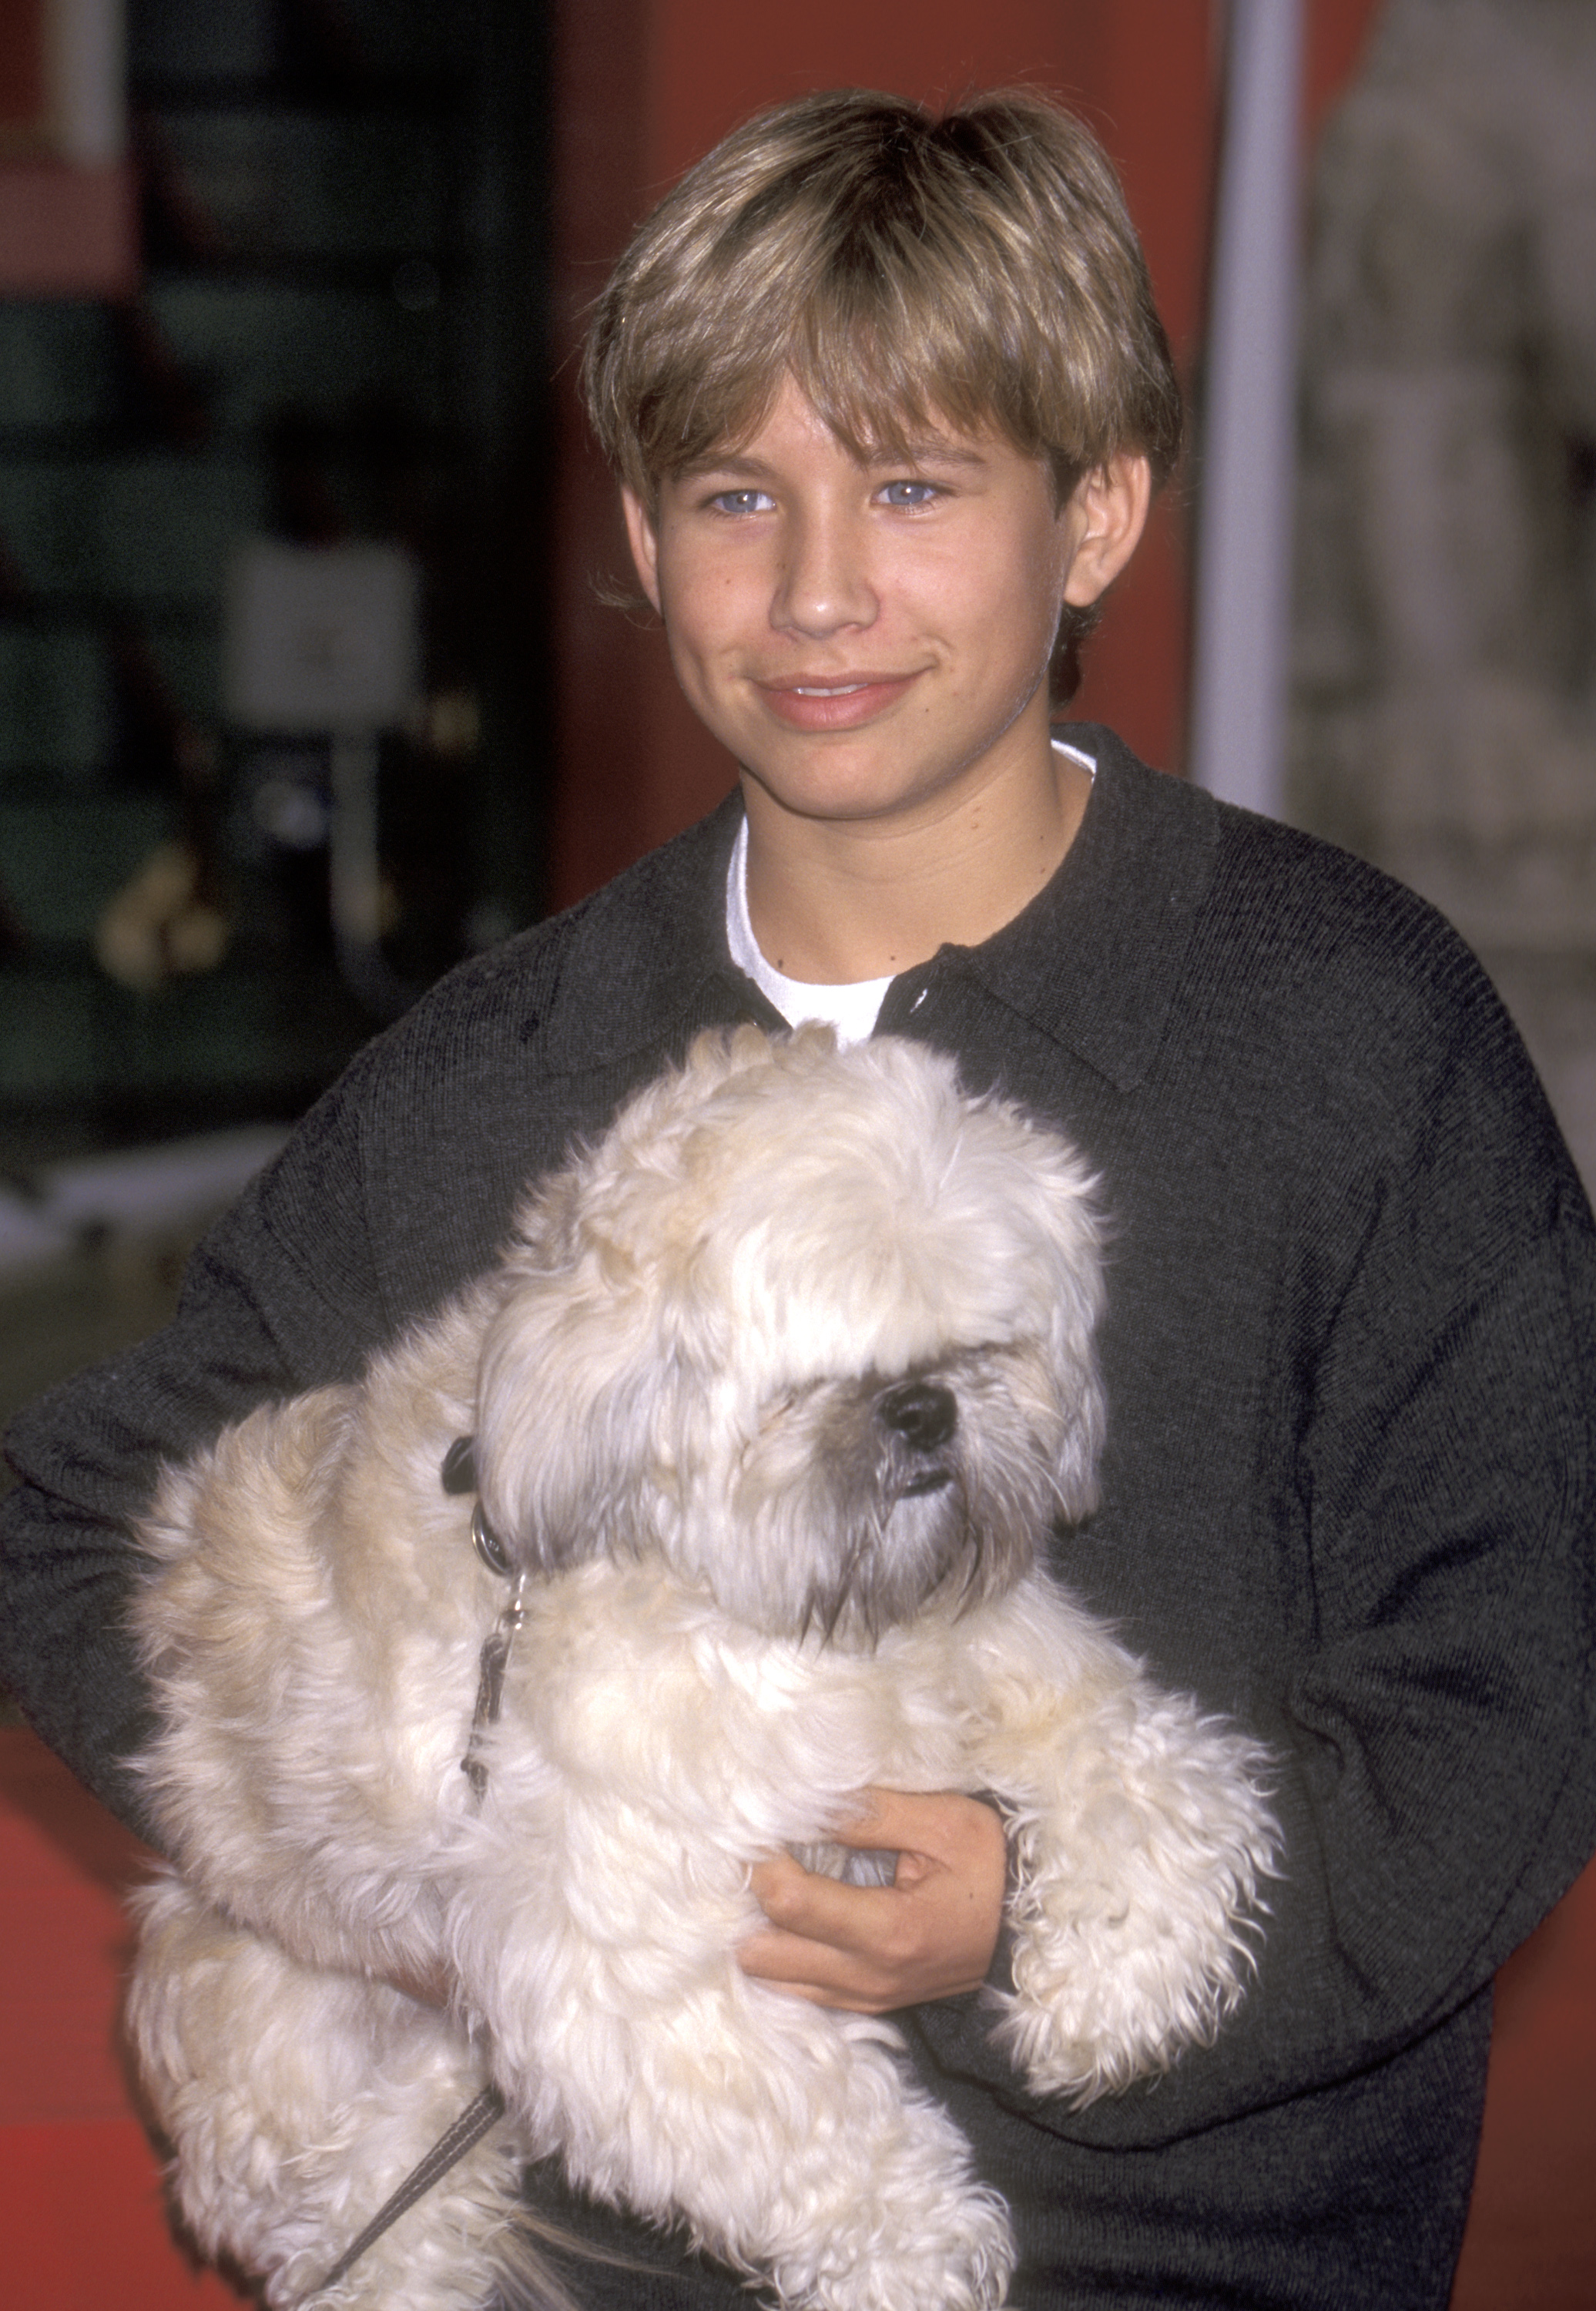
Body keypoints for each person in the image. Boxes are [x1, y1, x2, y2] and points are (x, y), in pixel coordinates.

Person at [4, 87, 1594, 2311]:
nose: (818, 589)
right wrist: (412, 1846)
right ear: (646, 546)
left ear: (1104, 511)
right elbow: (73, 1516)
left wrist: (1015, 1916)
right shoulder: (506, 1074)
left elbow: (1517, 1690)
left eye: (916, 485)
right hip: (596, 2246)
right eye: (737, 495)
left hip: (1189, 2250)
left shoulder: (1345, 1038)